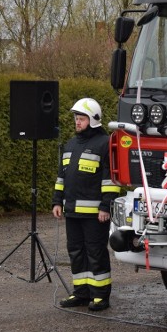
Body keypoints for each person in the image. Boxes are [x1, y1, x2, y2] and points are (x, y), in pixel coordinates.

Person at [52, 98, 119, 311]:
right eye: (76, 118)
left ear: (93, 120)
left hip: (94, 214)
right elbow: (61, 177)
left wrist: (105, 207)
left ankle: (100, 296)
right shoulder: (71, 145)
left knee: (96, 252)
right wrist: (57, 202)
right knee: (76, 252)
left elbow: (111, 179)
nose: (77, 122)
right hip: (72, 212)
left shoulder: (104, 144)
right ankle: (81, 293)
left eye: (81, 119)